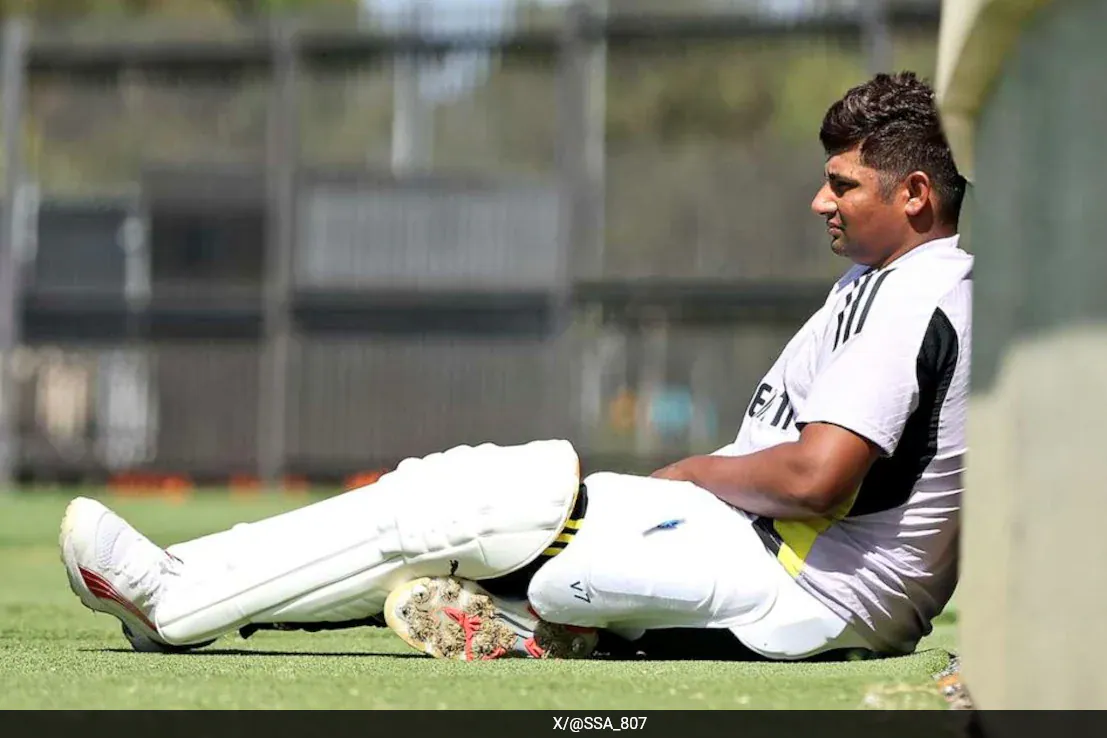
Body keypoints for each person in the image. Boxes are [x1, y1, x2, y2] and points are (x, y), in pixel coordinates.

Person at [58, 71, 970, 663]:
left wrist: (693, 474)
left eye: (842, 184)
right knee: (464, 506)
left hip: (794, 583)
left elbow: (817, 478)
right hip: (785, 567)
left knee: (488, 503)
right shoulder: (911, 282)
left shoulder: (911, 296)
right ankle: (526, 614)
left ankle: (177, 598)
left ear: (916, 193)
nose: (819, 201)